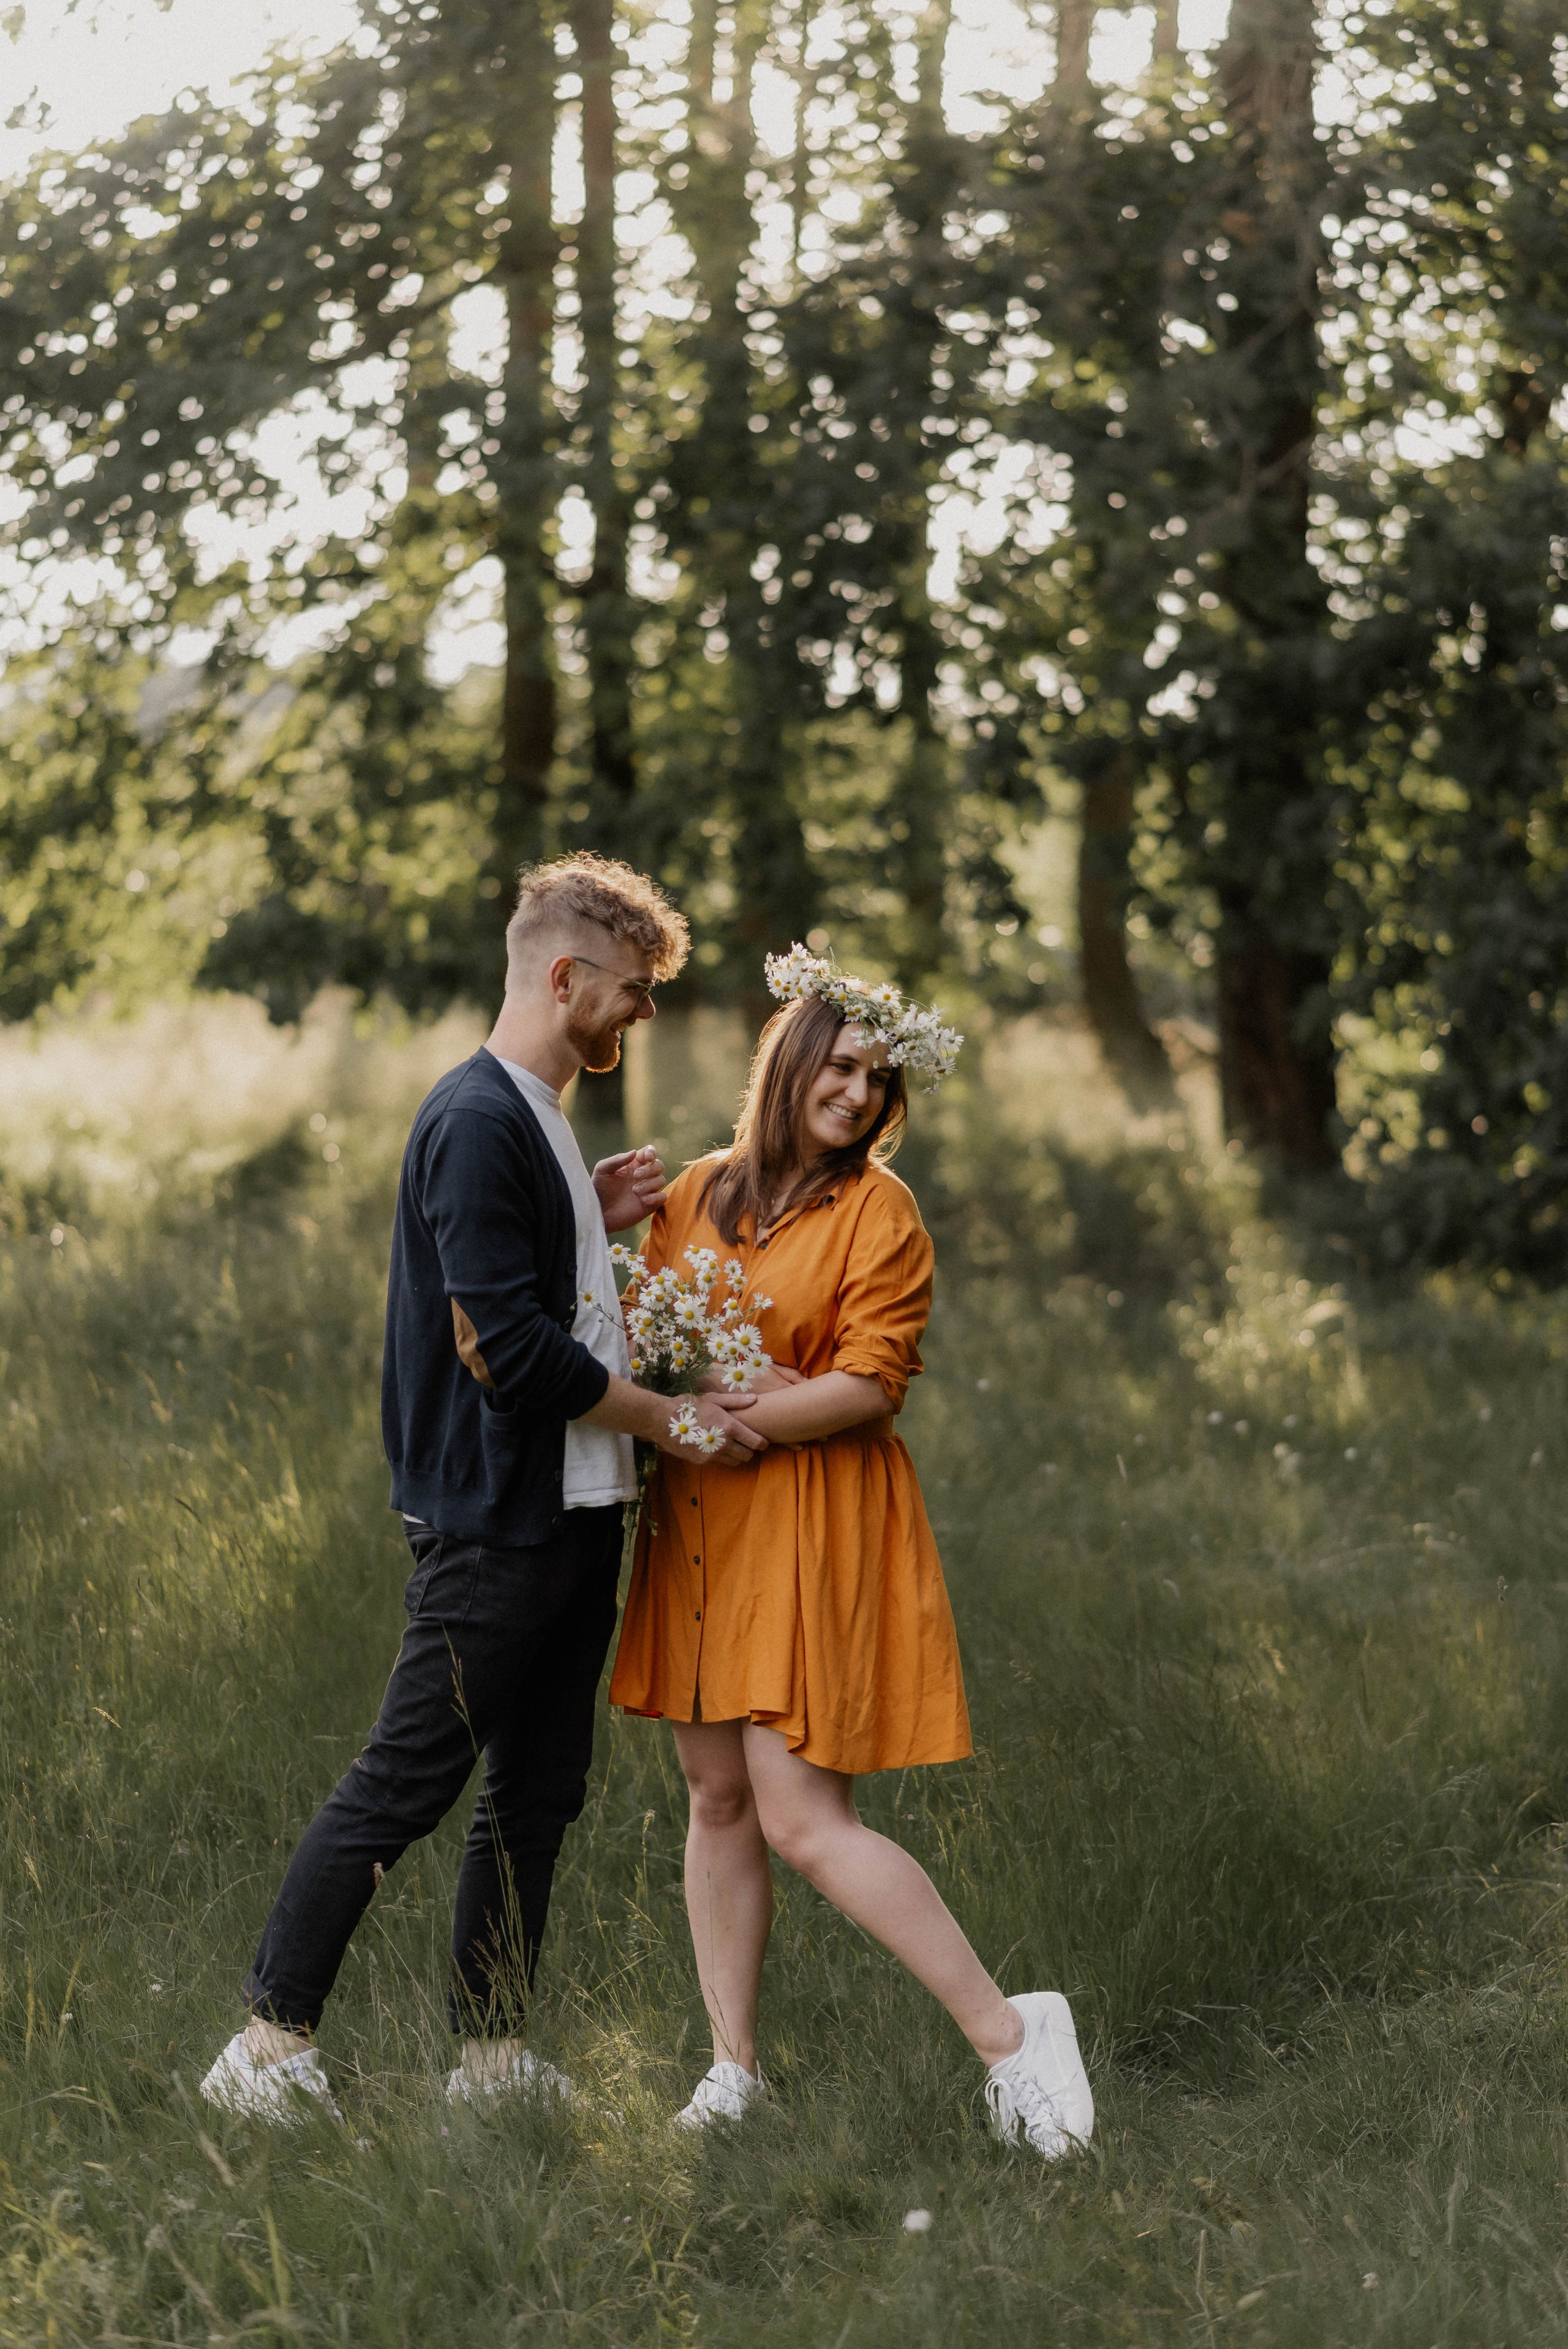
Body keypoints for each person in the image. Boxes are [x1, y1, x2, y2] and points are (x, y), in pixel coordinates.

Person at [200, 856, 766, 2123]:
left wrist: (593, 1223)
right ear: (563, 976)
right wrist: (672, 1422)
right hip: (491, 1524)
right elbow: (508, 1352)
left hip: (569, 1510)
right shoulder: (474, 1116)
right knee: (403, 1783)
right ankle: (264, 2051)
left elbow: (529, 1291)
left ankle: (490, 2064)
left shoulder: (537, 1117)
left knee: (536, 1794)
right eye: (631, 990)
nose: (644, 1015)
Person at [608, 945, 1094, 2160]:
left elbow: (868, 1387)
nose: (858, 1093)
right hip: (698, 1520)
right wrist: (702, 1388)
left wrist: (747, 1412)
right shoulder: (698, 1191)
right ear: (791, 1062)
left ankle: (1010, 2035)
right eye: (841, 1065)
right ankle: (732, 2068)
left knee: (802, 1818)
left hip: (808, 1520)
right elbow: (636, 1340)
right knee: (714, 1796)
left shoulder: (880, 1210)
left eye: (880, 1078)